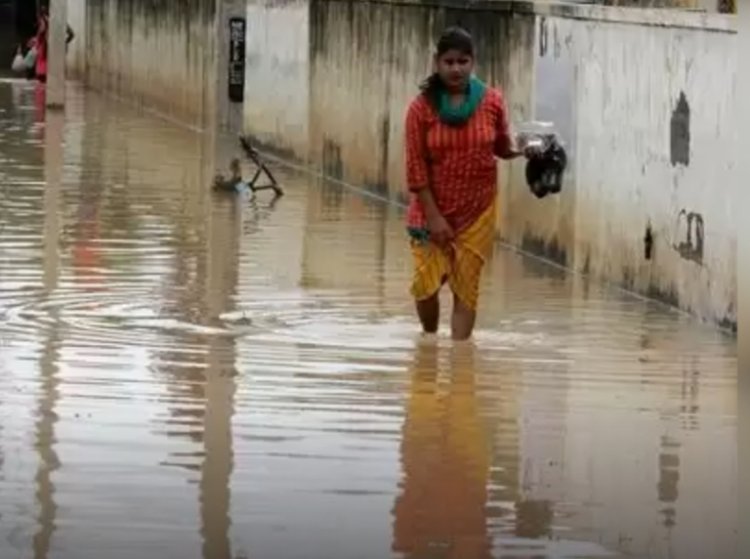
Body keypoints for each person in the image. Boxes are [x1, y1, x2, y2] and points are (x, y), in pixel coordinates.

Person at [404, 26, 536, 341]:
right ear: (437, 63)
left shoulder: (491, 101)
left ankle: (460, 364)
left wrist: (524, 150)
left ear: (473, 62)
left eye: (463, 61)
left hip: (476, 212)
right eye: (449, 62)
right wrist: (434, 217)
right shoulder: (421, 109)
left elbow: (502, 147)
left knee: (466, 288)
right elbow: (415, 168)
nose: (456, 69)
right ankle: (429, 341)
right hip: (430, 211)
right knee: (425, 287)